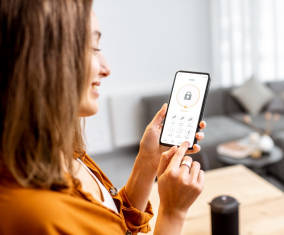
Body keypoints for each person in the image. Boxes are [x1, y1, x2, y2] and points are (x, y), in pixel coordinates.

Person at [0, 1, 206, 234]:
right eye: (92, 48)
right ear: (41, 61)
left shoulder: (61, 153)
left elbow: (114, 226)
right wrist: (173, 213)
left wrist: (148, 160)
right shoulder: (39, 215)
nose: (106, 68)